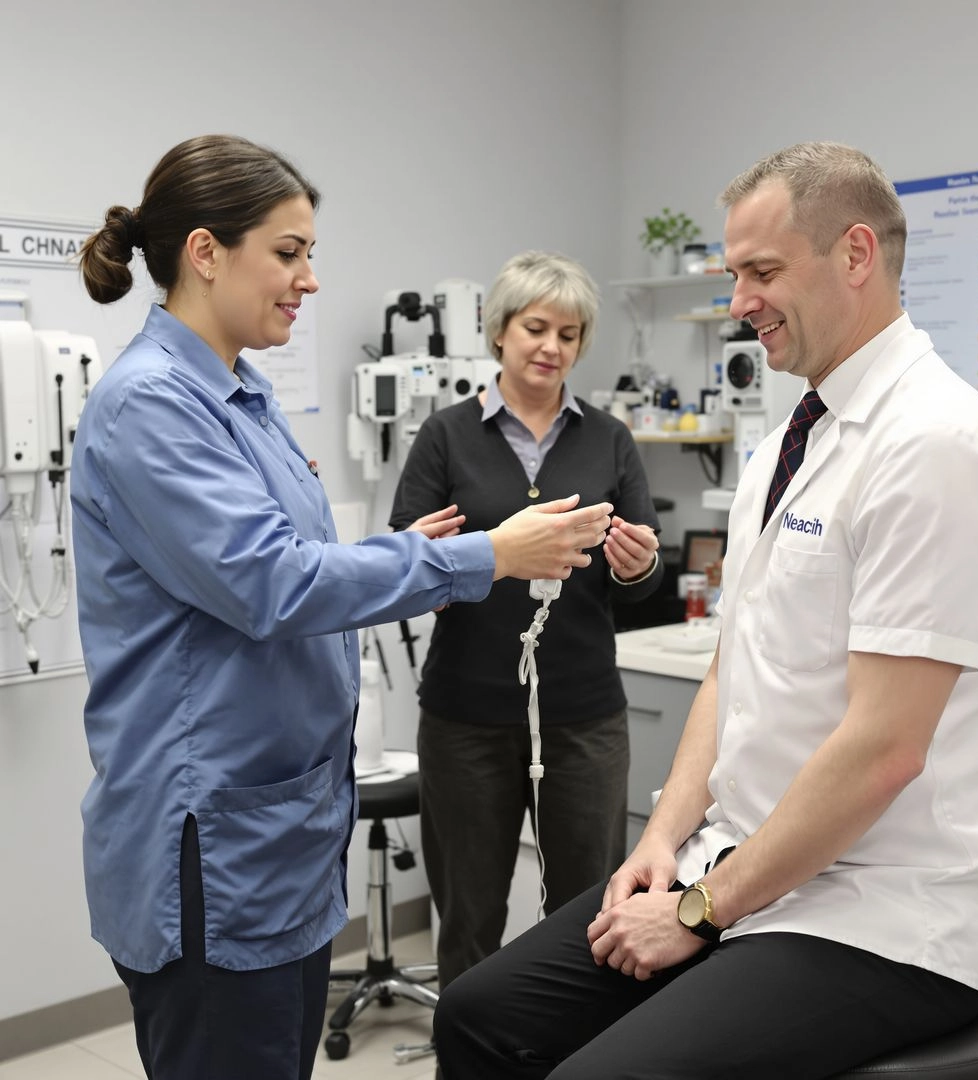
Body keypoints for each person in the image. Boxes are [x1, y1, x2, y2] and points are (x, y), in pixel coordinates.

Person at [432, 142, 978, 1080]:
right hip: (737, 872)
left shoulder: (937, 447)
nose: (740, 301)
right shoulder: (788, 444)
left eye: (762, 271)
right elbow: (735, 666)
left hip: (882, 913)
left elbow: (886, 750)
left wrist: (695, 911)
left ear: (855, 255)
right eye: (733, 274)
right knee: (478, 1015)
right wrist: (664, 844)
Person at [70, 135, 613, 1080]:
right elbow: (272, 582)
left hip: (278, 831)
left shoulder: (240, 394)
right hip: (213, 840)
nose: (310, 280)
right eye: (289, 253)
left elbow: (302, 557)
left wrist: (422, 553)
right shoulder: (151, 406)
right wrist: (485, 556)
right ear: (206, 252)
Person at [388, 250, 662, 993]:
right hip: (465, 719)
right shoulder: (445, 437)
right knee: (469, 917)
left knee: (587, 915)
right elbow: (404, 563)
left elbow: (639, 583)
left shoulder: (608, 439)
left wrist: (638, 567)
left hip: (583, 717)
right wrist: (436, 568)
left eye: (569, 334)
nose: (552, 347)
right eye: (536, 327)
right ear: (500, 331)